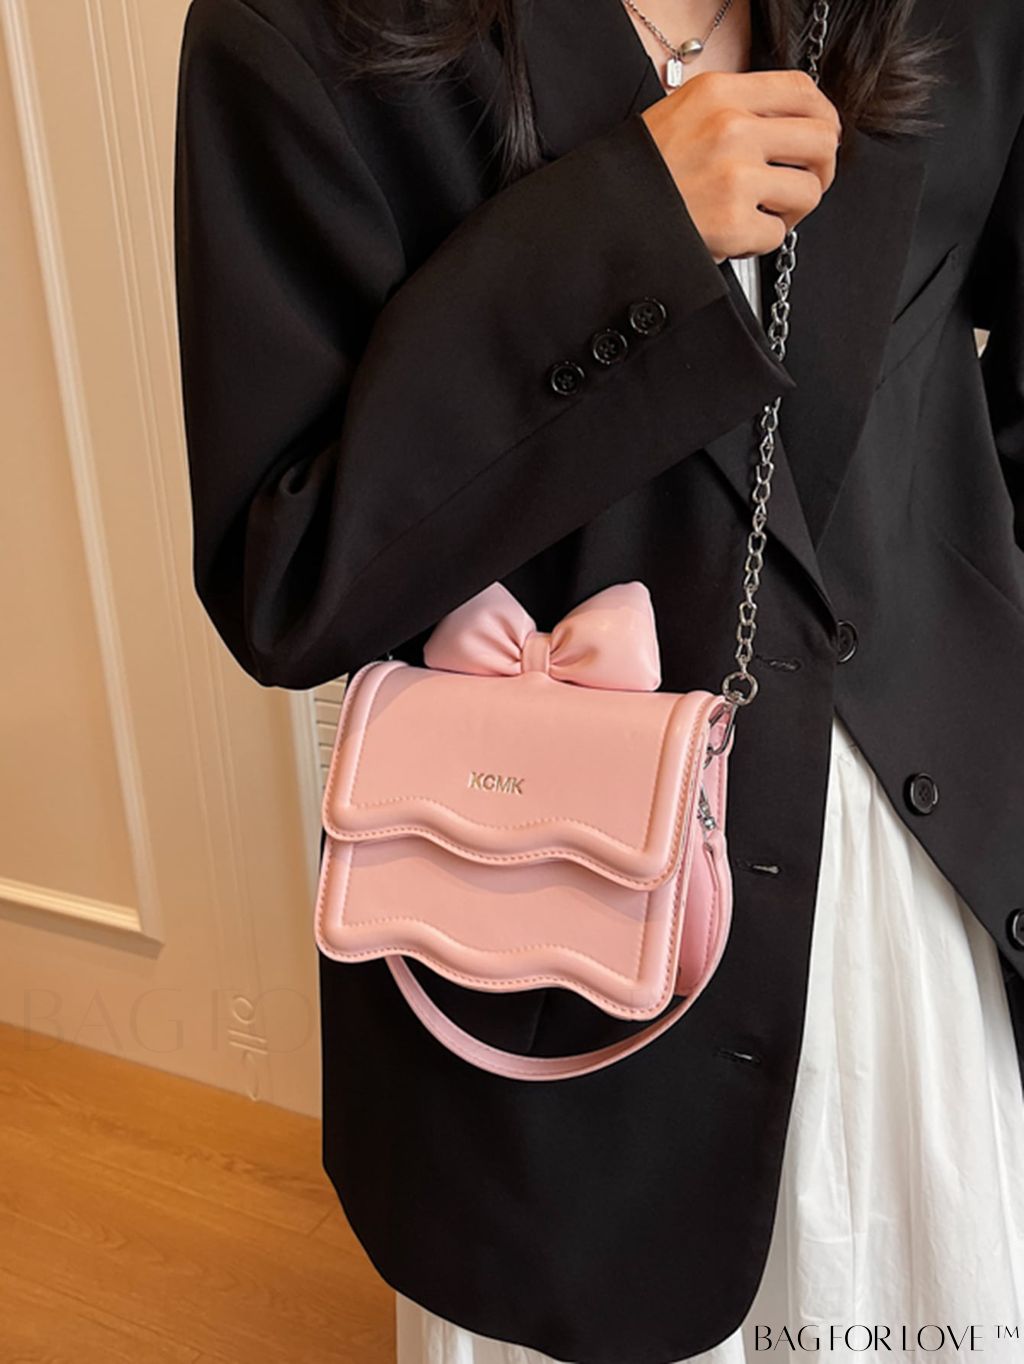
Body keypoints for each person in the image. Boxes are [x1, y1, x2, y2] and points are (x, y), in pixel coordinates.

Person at [172, 0, 1024, 1359]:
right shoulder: (308, 31)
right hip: (548, 931)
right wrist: (624, 235)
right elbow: (286, 578)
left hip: (915, 902)